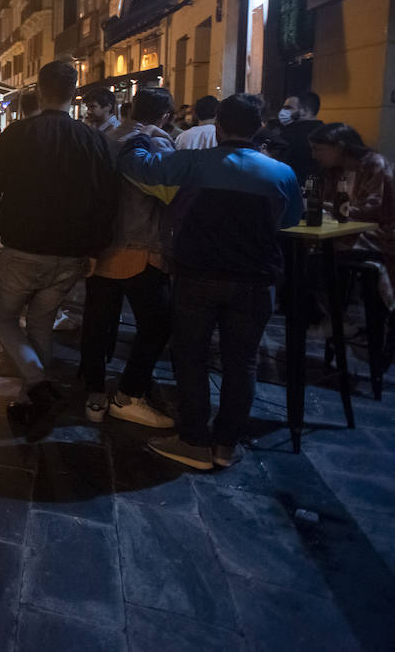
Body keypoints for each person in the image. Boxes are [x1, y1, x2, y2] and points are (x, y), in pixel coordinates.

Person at [119, 94, 302, 470]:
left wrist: (138, 135)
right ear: (257, 129)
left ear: (218, 126)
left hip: (197, 277)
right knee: (243, 364)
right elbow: (289, 221)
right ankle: (225, 446)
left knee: (191, 358)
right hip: (255, 282)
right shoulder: (281, 173)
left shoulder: (194, 162)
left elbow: (141, 169)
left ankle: (193, 440)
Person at [0, 60, 118, 441]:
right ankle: (28, 402)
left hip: (22, 248)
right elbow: (106, 199)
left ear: (39, 88)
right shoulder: (92, 139)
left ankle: (38, 385)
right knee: (40, 324)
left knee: (3, 321)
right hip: (69, 253)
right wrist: (95, 248)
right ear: (75, 93)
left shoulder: (17, 134)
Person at [79, 87, 177, 429]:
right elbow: (168, 192)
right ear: (165, 115)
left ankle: (94, 395)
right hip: (140, 246)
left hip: (101, 245)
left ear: (131, 107)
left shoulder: (105, 138)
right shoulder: (157, 141)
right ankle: (128, 395)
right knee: (158, 324)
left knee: (96, 323)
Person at [311, 123, 395, 354]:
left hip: (377, 237)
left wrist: (332, 209)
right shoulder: (335, 172)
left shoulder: (374, 164)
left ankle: (339, 319)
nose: (314, 155)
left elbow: (375, 208)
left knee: (318, 258)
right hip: (346, 233)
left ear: (339, 146)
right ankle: (336, 318)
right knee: (303, 254)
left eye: (319, 149)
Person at [280, 91, 324, 182]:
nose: (283, 111)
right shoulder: (327, 132)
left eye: (288, 108)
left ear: (305, 110)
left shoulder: (287, 135)